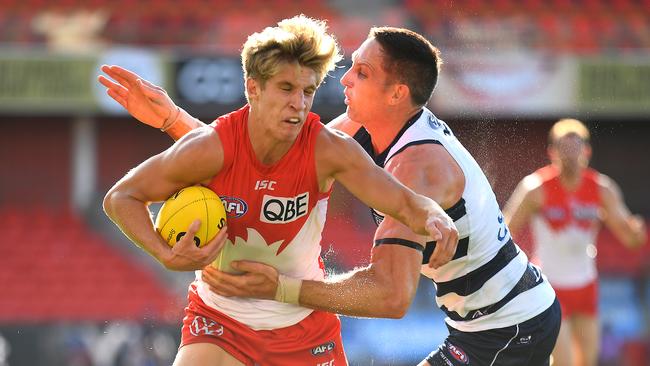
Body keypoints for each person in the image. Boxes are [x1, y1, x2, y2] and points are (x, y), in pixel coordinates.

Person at [103, 26, 562, 365]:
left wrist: (280, 289)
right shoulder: (364, 129)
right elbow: (269, 158)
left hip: (507, 327)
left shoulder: (416, 166)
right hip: (484, 318)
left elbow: (390, 296)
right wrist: (175, 123)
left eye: (361, 72)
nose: (342, 80)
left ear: (396, 94)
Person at [502, 118, 647, 366]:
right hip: (550, 288)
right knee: (564, 362)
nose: (570, 153)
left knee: (587, 361)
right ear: (551, 152)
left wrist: (637, 232)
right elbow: (504, 232)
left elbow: (631, 239)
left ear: (587, 151)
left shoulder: (602, 189)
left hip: (586, 286)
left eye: (575, 146)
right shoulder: (535, 188)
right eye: (563, 147)